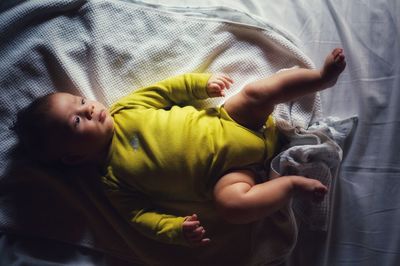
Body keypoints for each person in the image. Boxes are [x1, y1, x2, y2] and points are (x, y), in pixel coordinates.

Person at [15, 48, 346, 247]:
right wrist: (175, 230)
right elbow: (140, 218)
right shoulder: (113, 180)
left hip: (231, 123)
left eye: (82, 101)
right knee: (231, 207)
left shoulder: (127, 108)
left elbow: (165, 91)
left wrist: (201, 85)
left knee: (254, 93)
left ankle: (320, 78)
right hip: (231, 175)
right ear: (73, 156)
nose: (88, 109)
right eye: (76, 121)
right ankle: (288, 185)